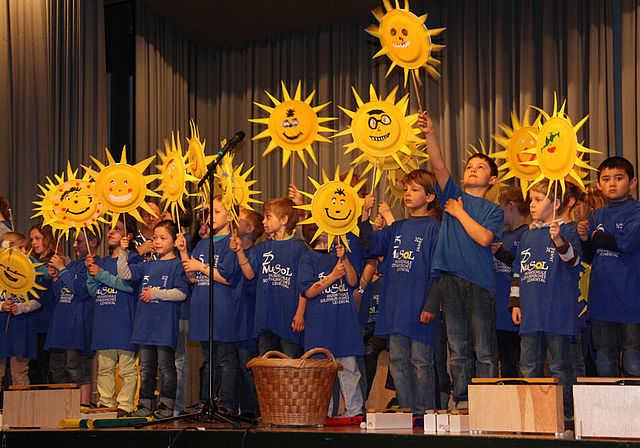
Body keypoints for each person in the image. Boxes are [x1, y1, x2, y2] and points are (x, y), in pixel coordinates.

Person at [417, 112, 504, 410]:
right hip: (450, 281)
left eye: (480, 168)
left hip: (480, 284)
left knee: (484, 349)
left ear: (491, 179)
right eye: (469, 166)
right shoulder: (452, 193)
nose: (472, 170)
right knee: (458, 347)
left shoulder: (493, 209)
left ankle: (489, 399)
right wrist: (430, 133)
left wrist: (459, 213)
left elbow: (484, 239)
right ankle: (464, 400)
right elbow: (439, 165)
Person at [358, 169, 441, 414]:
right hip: (395, 307)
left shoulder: (435, 228)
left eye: (414, 189)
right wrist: (365, 215)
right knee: (398, 362)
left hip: (419, 308)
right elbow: (370, 245)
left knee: (422, 362)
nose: (407, 194)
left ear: (429, 197)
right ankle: (408, 412)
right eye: (406, 189)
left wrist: (430, 305)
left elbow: (439, 270)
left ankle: (425, 412)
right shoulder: (398, 227)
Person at [510, 179, 582, 419]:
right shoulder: (528, 235)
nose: (532, 204)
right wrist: (516, 304)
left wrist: (559, 240)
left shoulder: (568, 230)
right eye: (531, 199)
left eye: (538, 200)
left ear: (556, 203)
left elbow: (573, 261)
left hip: (557, 314)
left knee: (559, 366)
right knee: (529, 365)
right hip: (531, 313)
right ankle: (538, 415)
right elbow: (519, 271)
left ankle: (565, 415)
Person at [117, 220, 189, 419]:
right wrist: (123, 253)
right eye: (155, 237)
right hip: (145, 326)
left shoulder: (177, 265)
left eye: (163, 238)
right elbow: (125, 274)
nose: (157, 241)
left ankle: (166, 405)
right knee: (146, 368)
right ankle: (145, 404)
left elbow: (181, 293)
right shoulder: (147, 264)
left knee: (166, 368)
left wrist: (156, 293)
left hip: (165, 326)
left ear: (175, 241)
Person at [176, 196, 241, 413]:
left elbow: (227, 276)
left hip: (222, 309)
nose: (211, 217)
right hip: (203, 309)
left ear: (230, 215)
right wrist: (184, 252)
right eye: (209, 212)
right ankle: (206, 401)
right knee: (210, 359)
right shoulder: (203, 243)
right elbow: (192, 277)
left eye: (217, 212)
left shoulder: (231, 242)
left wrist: (200, 266)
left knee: (225, 358)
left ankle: (226, 403)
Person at [578, 156, 640, 377]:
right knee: (604, 358)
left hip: (631, 299)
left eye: (619, 178)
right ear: (598, 184)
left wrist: (595, 235)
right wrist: (585, 238)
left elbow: (625, 243)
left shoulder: (636, 211)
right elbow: (589, 256)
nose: (612, 184)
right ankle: (608, 410)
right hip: (602, 300)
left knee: (633, 358)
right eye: (606, 179)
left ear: (632, 182)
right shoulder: (596, 215)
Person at [298, 225, 365, 417]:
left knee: (350, 369)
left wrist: (344, 259)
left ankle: (354, 411)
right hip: (320, 327)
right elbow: (309, 291)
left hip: (345, 324)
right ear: (321, 234)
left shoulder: (339, 255)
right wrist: (333, 276)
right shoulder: (308, 258)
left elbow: (353, 282)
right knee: (321, 373)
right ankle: (323, 412)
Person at [230, 197, 307, 358]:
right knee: (267, 368)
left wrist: (300, 313)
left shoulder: (299, 249)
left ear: (284, 220)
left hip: (289, 321)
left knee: (289, 368)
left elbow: (304, 285)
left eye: (268, 216)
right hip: (266, 321)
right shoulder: (263, 247)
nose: (264, 221)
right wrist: (240, 252)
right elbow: (250, 274)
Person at [86, 215, 141, 417]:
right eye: (110, 228)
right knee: (104, 368)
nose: (110, 232)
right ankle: (105, 401)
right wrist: (91, 274)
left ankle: (125, 404)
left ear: (129, 236)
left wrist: (100, 274)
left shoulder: (133, 259)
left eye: (117, 229)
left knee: (127, 369)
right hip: (104, 322)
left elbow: (127, 286)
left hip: (124, 322)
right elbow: (93, 291)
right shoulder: (102, 261)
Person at [46, 230, 100, 408]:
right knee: (57, 368)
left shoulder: (94, 264)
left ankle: (83, 406)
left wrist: (61, 269)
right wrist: (56, 278)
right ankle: (64, 405)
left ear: (93, 242)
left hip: (76, 324)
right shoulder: (73, 265)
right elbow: (59, 295)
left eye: (80, 241)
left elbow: (81, 290)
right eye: (75, 242)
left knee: (74, 367)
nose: (75, 245)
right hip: (61, 323)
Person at [229, 208, 264, 418]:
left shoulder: (256, 253)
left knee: (247, 365)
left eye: (238, 220)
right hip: (232, 316)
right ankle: (235, 407)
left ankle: (253, 410)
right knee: (232, 366)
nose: (234, 222)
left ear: (249, 229)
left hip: (248, 318)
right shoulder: (230, 251)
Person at [492, 186, 530, 378]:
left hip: (517, 312)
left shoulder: (528, 234)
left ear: (511, 206)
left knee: (523, 363)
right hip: (500, 311)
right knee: (505, 365)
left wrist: (499, 252)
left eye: (501, 206)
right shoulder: (503, 236)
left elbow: (524, 265)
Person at [0, 232, 39, 386]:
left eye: (26, 248)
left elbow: (39, 300)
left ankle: (22, 408)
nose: (25, 252)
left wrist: (22, 307)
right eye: (21, 247)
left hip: (20, 327)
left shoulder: (30, 272)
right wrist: (2, 305)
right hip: (1, 325)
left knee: (20, 371)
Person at [28, 224, 57, 385]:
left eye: (38, 238)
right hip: (32, 321)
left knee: (48, 365)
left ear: (47, 239)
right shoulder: (33, 261)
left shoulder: (54, 260)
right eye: (31, 239)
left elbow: (46, 274)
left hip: (48, 321)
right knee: (33, 366)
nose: (33, 243)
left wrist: (27, 260)